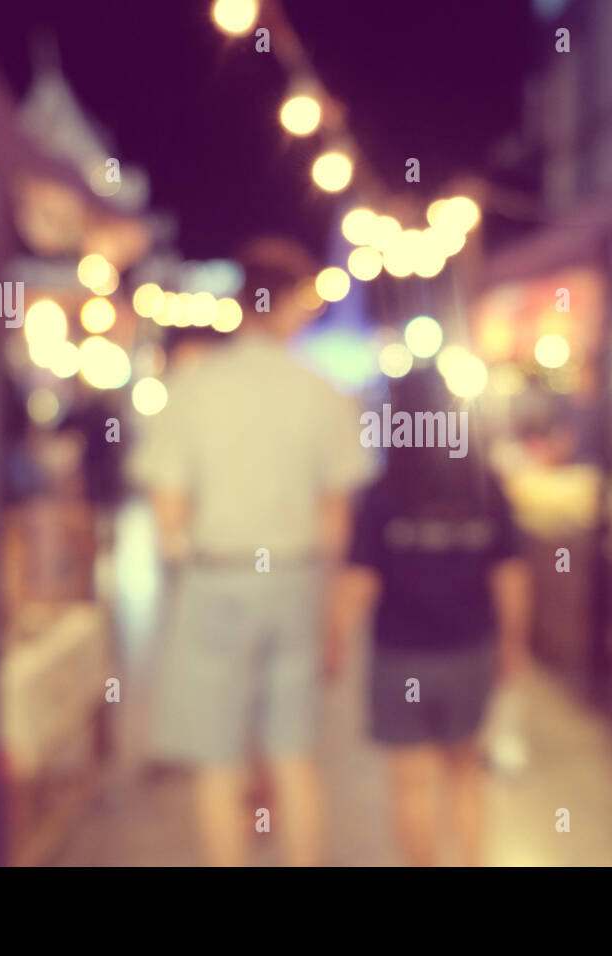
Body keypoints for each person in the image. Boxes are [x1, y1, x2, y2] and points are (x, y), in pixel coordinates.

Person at [141, 237, 373, 866]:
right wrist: (330, 608)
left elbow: (168, 506)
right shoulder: (323, 392)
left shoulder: (194, 387)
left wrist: (193, 556)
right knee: (292, 754)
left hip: (216, 580)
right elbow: (336, 518)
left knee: (218, 764)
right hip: (295, 579)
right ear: (292, 302)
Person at [326, 370, 531, 866]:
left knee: (413, 784)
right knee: (465, 773)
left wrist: (332, 641)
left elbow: (360, 581)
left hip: (402, 659)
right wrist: (513, 644)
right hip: (470, 650)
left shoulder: (381, 493)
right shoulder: (485, 484)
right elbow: (511, 575)